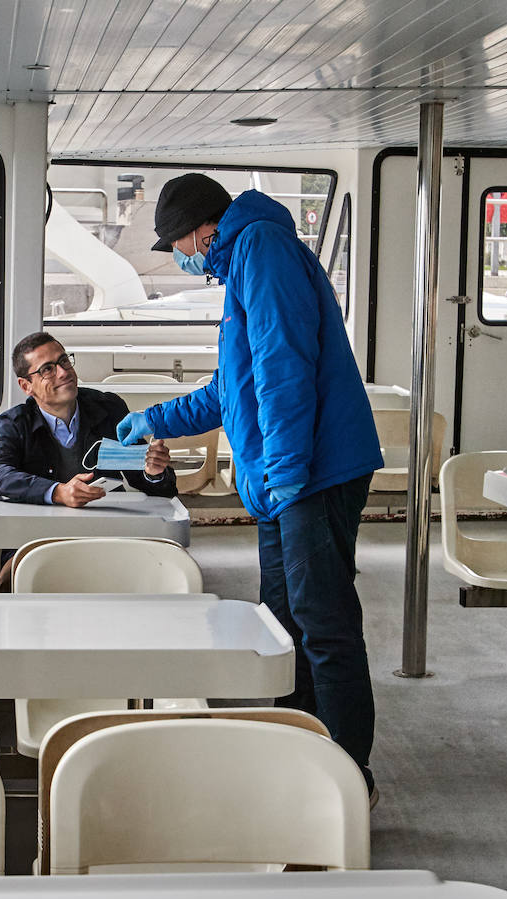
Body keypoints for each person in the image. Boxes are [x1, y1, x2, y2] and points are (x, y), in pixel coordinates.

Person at [116, 173, 384, 802]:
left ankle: (348, 780)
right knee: (283, 624)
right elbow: (231, 390)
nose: (181, 258)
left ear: (202, 230)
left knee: (323, 622)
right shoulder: (242, 265)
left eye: (178, 244)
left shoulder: (261, 248)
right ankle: (300, 748)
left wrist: (286, 476)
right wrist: (156, 418)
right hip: (287, 478)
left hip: (311, 473)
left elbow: (284, 368)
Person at [0, 332, 178, 582]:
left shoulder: (108, 408)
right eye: (48, 369)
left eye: (64, 361)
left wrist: (154, 473)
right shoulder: (16, 422)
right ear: (26, 386)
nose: (63, 372)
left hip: (106, 534)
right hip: (37, 537)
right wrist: (57, 492)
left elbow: (160, 489)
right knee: (10, 578)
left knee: (156, 573)